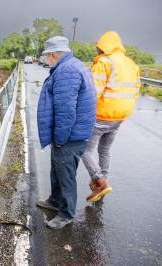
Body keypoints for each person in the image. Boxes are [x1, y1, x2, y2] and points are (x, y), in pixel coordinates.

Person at [36, 36, 97, 229]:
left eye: (47, 55)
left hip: (70, 136)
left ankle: (67, 213)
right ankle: (55, 201)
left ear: (54, 54)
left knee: (65, 175)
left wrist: (60, 139)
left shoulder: (66, 71)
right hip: (74, 133)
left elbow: (66, 111)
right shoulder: (72, 65)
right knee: (57, 169)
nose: (46, 59)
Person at [82, 31, 141, 202]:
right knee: (105, 150)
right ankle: (101, 186)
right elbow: (136, 91)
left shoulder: (104, 62)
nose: (98, 51)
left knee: (84, 150)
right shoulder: (131, 64)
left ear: (103, 46)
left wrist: (84, 114)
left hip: (102, 115)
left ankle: (99, 182)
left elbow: (93, 93)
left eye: (99, 48)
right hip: (120, 115)